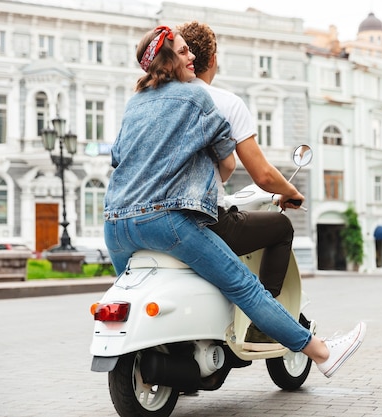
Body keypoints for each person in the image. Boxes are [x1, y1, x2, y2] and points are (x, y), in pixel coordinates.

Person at [104, 25, 365, 378]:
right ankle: (321, 352)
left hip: (116, 225)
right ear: (169, 60)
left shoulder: (134, 103)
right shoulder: (197, 98)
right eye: (183, 52)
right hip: (167, 221)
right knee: (244, 285)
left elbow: (118, 157)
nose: (191, 56)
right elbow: (227, 161)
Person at [177, 21, 303, 343]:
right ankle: (265, 326)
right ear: (213, 58)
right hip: (206, 218)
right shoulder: (226, 103)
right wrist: (290, 191)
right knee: (282, 228)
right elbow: (261, 174)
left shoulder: (164, 100)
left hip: (162, 216)